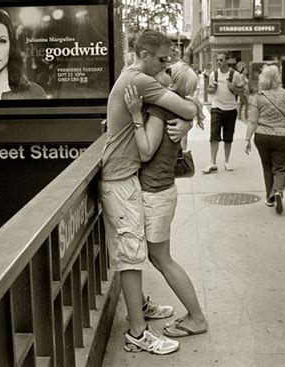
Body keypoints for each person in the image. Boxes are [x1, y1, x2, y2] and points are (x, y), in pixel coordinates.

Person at [99, 28, 202, 355]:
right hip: (120, 180)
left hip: (129, 179)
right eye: (162, 60)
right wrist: (189, 115)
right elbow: (185, 108)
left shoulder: (141, 81)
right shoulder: (139, 81)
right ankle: (138, 334)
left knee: (135, 255)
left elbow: (185, 107)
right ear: (143, 55)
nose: (166, 65)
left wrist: (188, 115)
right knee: (131, 258)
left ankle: (140, 313)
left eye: (169, 62)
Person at [123, 61, 208, 339]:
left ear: (170, 81)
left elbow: (146, 151)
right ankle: (188, 314)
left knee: (161, 259)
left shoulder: (160, 109)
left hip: (155, 194)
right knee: (158, 257)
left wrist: (137, 115)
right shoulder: (177, 107)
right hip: (162, 191)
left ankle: (196, 317)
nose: (159, 70)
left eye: (166, 68)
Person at [245, 65, 285, 214]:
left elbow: (252, 121)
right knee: (280, 167)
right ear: (278, 77)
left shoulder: (259, 96)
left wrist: (247, 139)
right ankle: (278, 191)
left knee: (267, 167)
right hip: (283, 137)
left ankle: (269, 197)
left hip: (262, 136)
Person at [202, 53, 244, 173]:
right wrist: (212, 89)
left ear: (227, 61)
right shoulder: (213, 74)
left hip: (230, 109)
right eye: (218, 60)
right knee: (214, 136)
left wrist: (233, 88)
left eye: (221, 60)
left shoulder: (235, 75)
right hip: (216, 108)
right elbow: (209, 91)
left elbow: (242, 92)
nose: (219, 62)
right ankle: (212, 163)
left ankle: (226, 161)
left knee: (228, 137)